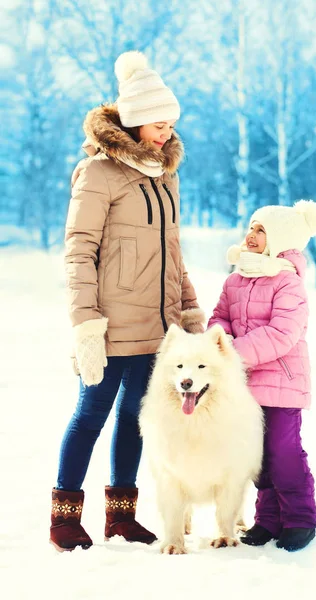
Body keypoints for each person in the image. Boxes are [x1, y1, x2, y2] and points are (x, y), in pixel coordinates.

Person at [49, 51, 205, 552]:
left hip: (159, 326)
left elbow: (173, 250)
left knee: (137, 418)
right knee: (90, 415)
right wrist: (86, 326)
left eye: (171, 122)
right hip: (111, 325)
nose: (167, 130)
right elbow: (79, 252)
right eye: (159, 122)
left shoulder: (166, 174)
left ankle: (122, 517)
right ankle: (65, 519)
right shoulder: (97, 172)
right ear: (135, 120)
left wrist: (189, 309)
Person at [207, 200, 316, 552]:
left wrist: (231, 353)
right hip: (243, 386)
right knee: (256, 455)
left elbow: (281, 334)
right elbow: (219, 317)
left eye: (262, 230)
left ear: (280, 239)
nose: (251, 235)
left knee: (282, 451)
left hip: (282, 382)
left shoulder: (288, 283)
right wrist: (220, 337)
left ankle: (300, 518)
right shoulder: (236, 279)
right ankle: (268, 519)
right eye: (251, 227)